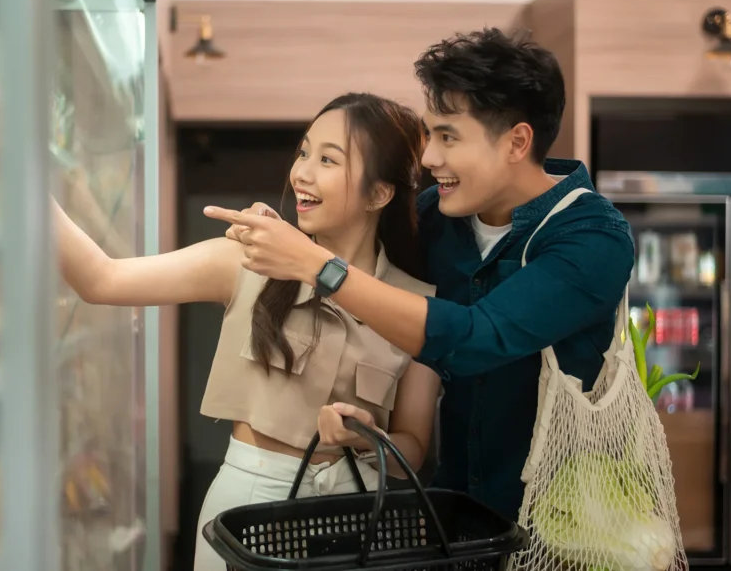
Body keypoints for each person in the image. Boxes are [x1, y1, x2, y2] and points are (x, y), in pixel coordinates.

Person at [207, 28, 635, 522]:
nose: (429, 159)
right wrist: (275, 230)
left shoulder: (592, 237)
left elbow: (478, 338)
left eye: (448, 137)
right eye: (430, 135)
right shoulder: (434, 217)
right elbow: (355, 242)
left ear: (517, 141)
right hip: (456, 515)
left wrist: (313, 262)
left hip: (563, 521)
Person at [54, 92, 442, 570]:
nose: (301, 172)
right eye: (303, 152)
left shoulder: (418, 305)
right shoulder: (246, 257)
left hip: (358, 510)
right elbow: (102, 279)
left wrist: (365, 436)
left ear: (380, 194)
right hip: (249, 505)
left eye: (327, 159)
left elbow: (415, 448)